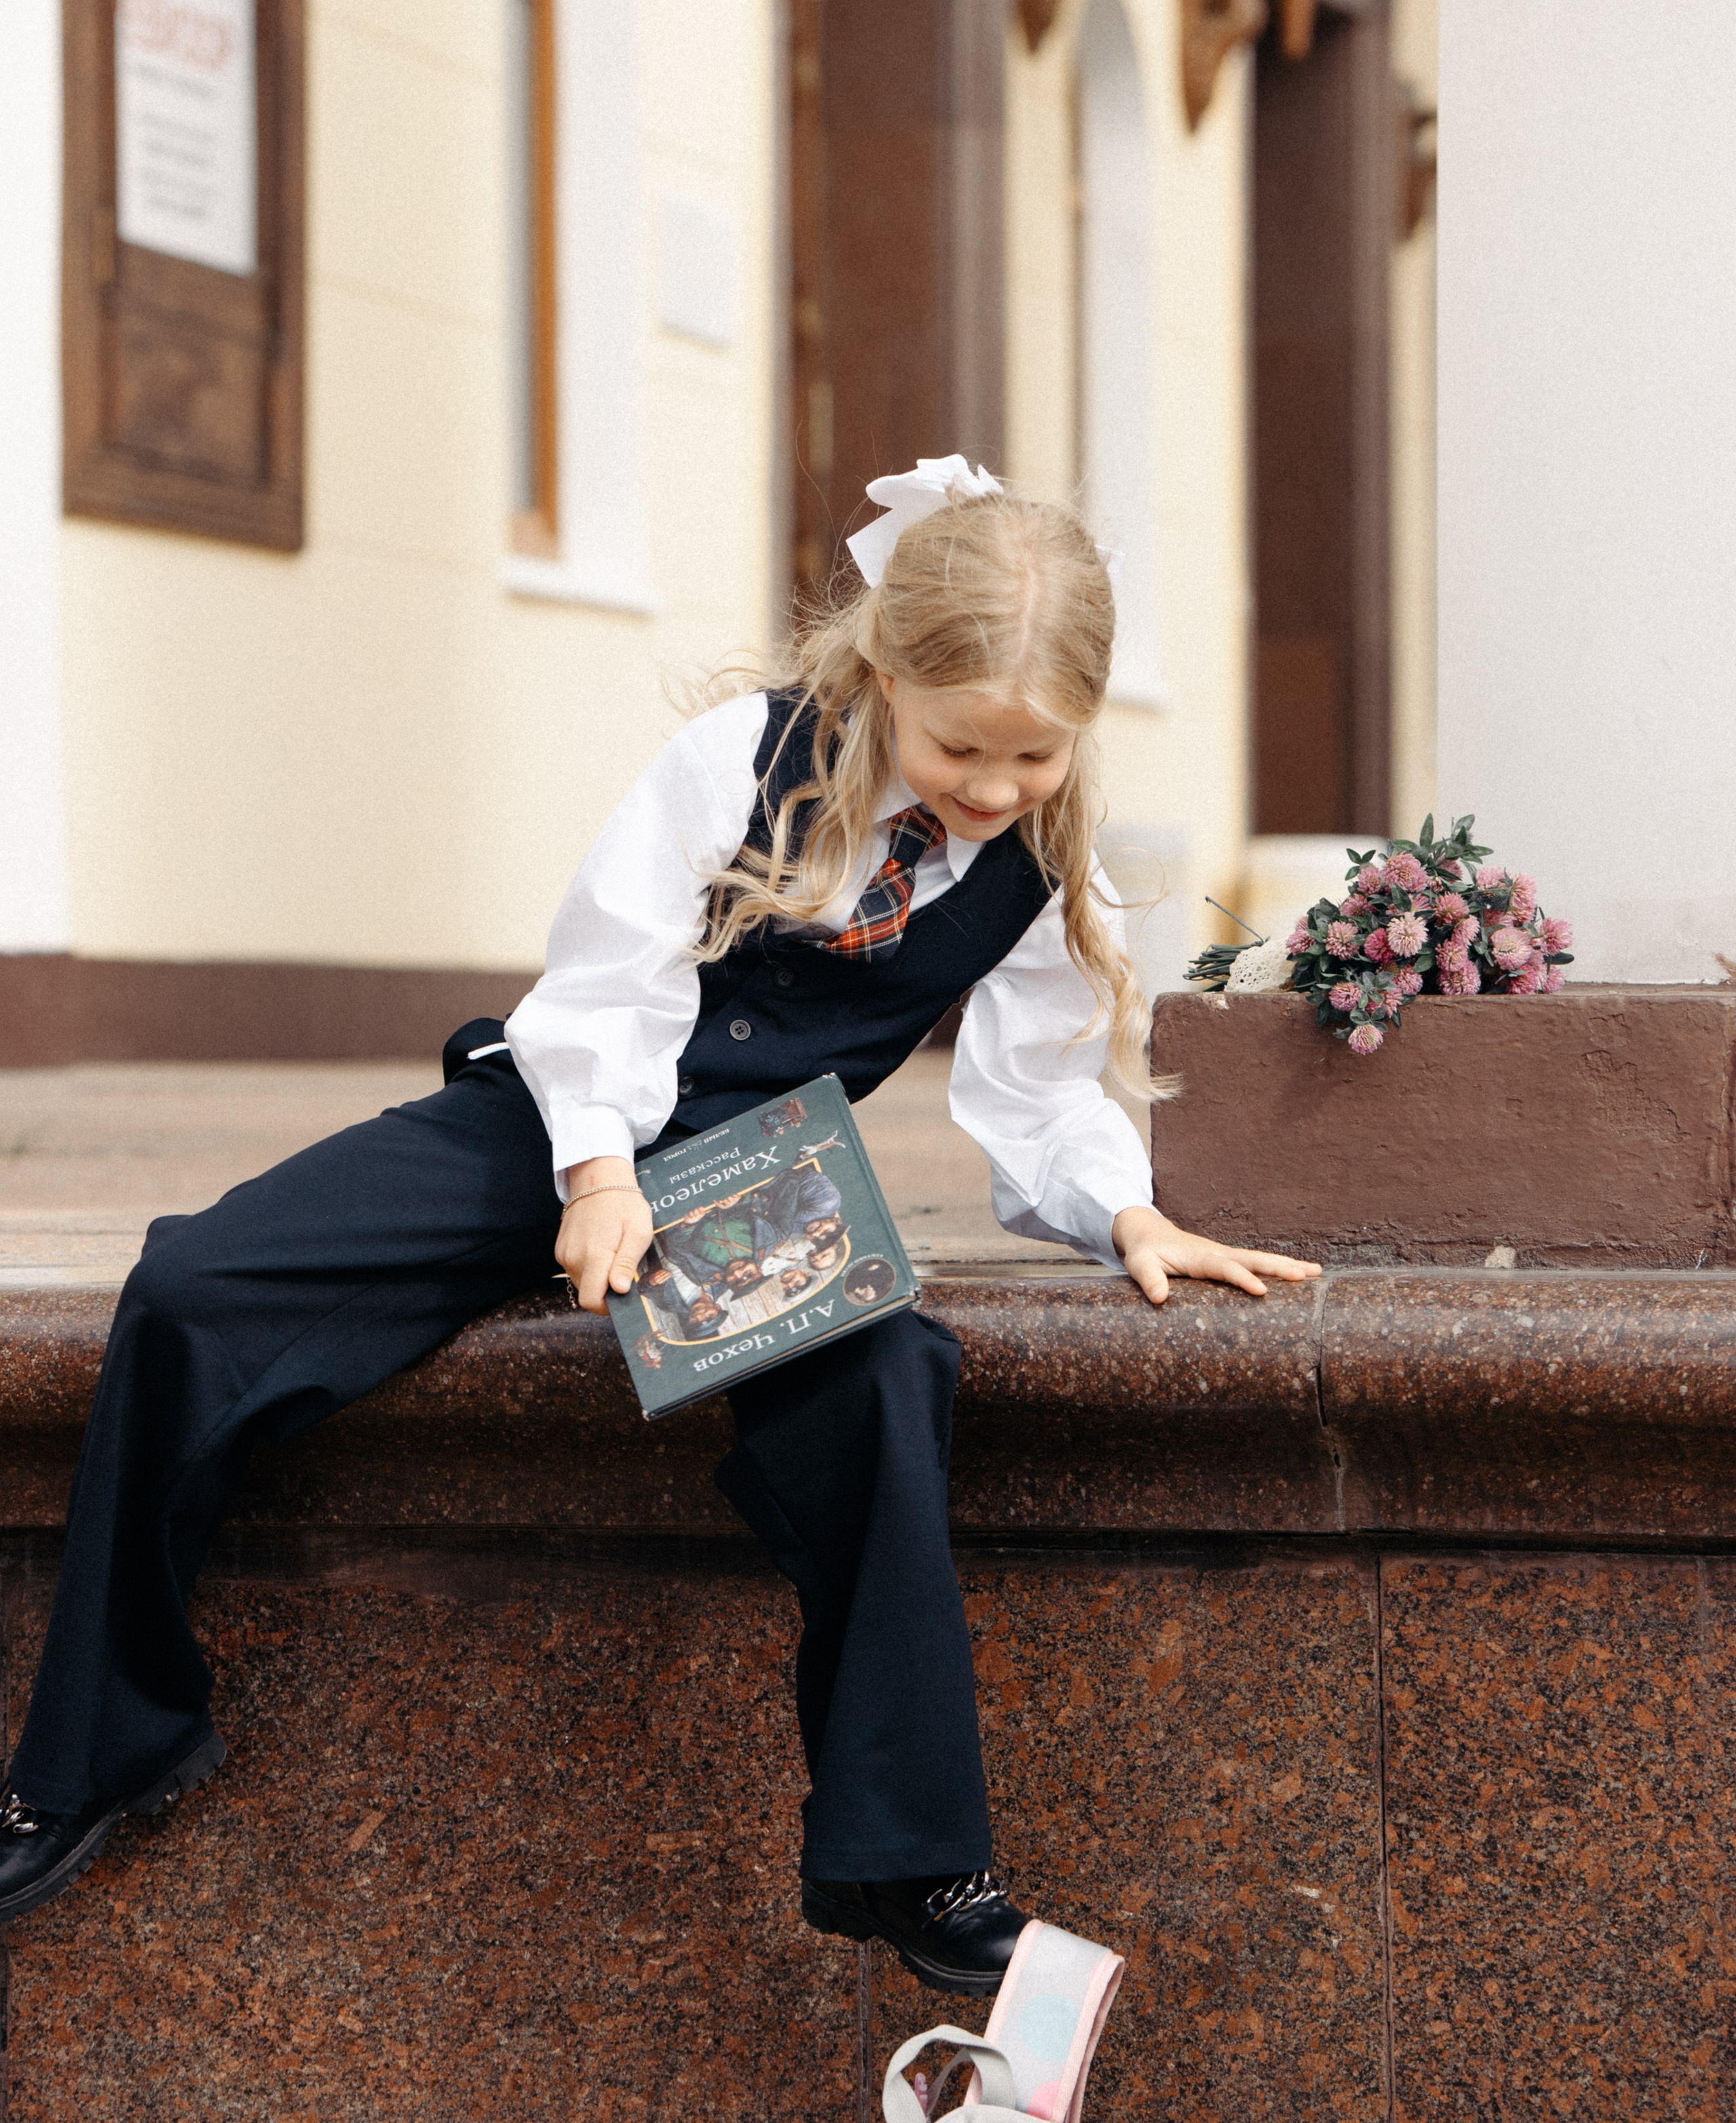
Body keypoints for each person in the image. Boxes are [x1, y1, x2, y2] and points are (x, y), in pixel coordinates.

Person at [0, 459, 1318, 1994]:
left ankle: (912, 1859)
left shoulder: (1037, 863)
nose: (994, 784)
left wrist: (1126, 1212)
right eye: (963, 744)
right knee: (191, 1286)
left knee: (884, 1382)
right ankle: (108, 1738)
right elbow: (607, 981)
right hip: (557, 1119)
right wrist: (596, 1174)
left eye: (1035, 754)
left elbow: (1029, 1099)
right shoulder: (737, 757)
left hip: (758, 1175)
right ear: (887, 672)